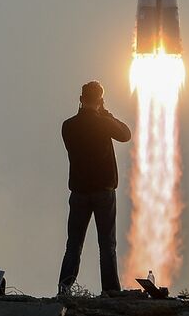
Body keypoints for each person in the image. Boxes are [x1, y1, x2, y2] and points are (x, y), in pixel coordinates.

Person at [58, 80, 131, 295]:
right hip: (103, 190)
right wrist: (106, 114)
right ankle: (110, 290)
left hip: (79, 191)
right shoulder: (103, 122)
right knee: (107, 245)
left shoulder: (68, 125)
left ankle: (65, 287)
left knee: (74, 243)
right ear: (100, 100)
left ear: (81, 99)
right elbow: (126, 134)